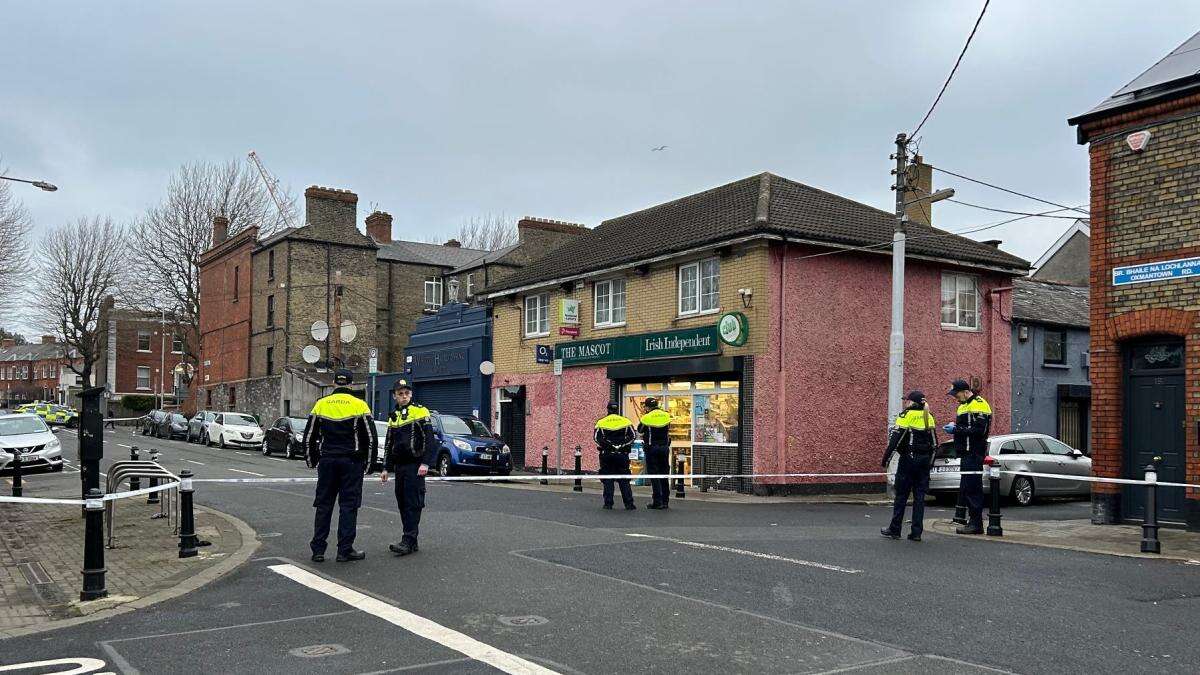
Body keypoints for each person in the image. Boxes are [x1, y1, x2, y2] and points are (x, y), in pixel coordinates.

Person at [304, 369, 377, 563]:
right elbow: (370, 437)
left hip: (327, 461)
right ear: (351, 385)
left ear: (334, 383)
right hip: (351, 462)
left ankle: (318, 550)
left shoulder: (321, 404)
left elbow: (309, 435)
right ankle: (344, 550)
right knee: (348, 506)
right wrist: (369, 465)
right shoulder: (359, 405)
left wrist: (312, 460)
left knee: (323, 505)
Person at [379, 379, 437, 556]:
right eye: (400, 394)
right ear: (395, 396)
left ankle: (408, 539)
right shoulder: (393, 416)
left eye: (407, 393)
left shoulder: (420, 411)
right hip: (400, 466)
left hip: (415, 465)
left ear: (410, 394)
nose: (404, 397)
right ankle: (412, 540)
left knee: (413, 502)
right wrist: (385, 468)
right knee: (402, 502)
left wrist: (426, 463)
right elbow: (389, 443)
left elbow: (430, 440)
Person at [881, 391, 937, 542]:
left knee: (901, 496)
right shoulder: (929, 417)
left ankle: (895, 529)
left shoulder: (906, 416)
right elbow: (934, 444)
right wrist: (929, 463)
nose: (905, 402)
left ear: (912, 403)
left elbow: (895, 442)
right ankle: (916, 532)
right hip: (924, 462)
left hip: (908, 460)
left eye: (907, 401)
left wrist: (885, 460)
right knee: (919, 497)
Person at [944, 379, 992, 535]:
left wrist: (956, 429)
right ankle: (971, 521)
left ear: (966, 391)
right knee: (967, 488)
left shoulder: (979, 404)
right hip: (966, 452)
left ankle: (976, 524)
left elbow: (979, 430)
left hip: (974, 452)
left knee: (973, 489)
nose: (955, 398)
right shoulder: (963, 406)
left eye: (956, 394)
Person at [595, 401, 637, 510]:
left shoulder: (601, 422)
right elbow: (633, 436)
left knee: (608, 479)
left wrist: (609, 446)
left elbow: (596, 438)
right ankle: (629, 504)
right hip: (622, 455)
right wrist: (621, 445)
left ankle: (608, 503)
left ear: (608, 409)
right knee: (624, 479)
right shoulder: (626, 421)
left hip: (607, 455)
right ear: (617, 409)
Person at [637, 397, 672, 510]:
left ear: (647, 407)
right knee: (664, 474)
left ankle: (657, 501)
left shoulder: (647, 417)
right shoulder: (665, 415)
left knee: (654, 475)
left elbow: (640, 430)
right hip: (664, 448)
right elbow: (668, 428)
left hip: (652, 448)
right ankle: (665, 501)